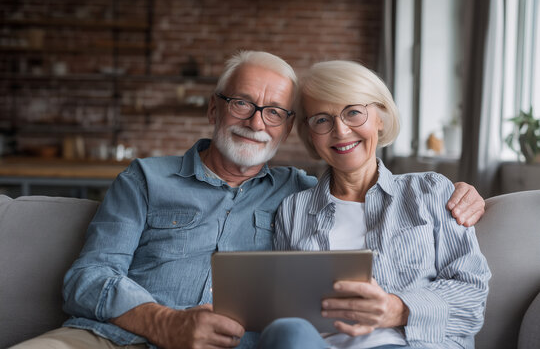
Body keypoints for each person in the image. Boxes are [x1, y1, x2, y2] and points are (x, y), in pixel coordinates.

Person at [12, 51, 485, 349]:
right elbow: (87, 276)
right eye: (243, 103)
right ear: (215, 108)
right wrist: (164, 324)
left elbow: (470, 288)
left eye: (274, 111)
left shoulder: (312, 195)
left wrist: (464, 194)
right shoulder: (148, 179)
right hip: (109, 336)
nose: (257, 122)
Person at [269, 60, 491, 349]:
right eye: (322, 119)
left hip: (411, 343)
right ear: (310, 134)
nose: (341, 130)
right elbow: (285, 302)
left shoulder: (431, 192)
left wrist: (396, 308)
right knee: (286, 332)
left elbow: (472, 297)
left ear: (381, 118)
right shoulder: (293, 210)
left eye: (353, 112)